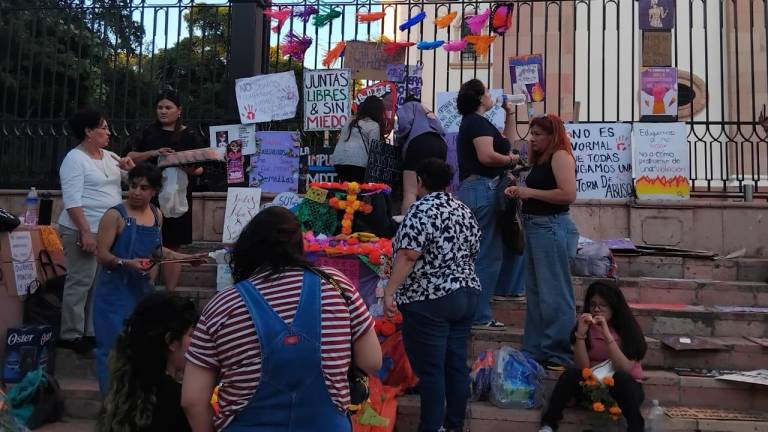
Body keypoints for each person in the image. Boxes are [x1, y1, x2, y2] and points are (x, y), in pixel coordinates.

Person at [181, 207, 382, 431]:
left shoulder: (222, 305)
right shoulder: (338, 286)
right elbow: (371, 361)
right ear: (299, 246)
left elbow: (192, 401)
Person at [384, 159, 480, 432]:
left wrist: (390, 291)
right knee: (456, 365)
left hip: (430, 299)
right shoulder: (463, 210)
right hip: (466, 294)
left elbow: (408, 254)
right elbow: (474, 252)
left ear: (420, 182)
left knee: (431, 369)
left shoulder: (421, 210)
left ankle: (430, 427)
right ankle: (453, 426)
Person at [93, 163, 205, 393]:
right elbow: (101, 254)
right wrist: (126, 263)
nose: (136, 191)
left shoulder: (156, 215)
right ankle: (110, 403)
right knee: (112, 350)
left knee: (141, 349)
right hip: (113, 293)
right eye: (133, 186)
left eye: (143, 188)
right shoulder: (114, 215)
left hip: (142, 293)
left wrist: (186, 258)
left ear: (154, 191)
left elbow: (157, 251)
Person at [504, 113, 579, 370]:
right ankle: (535, 348)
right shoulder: (542, 159)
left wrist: (529, 192)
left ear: (552, 135)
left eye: (537, 135)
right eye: (532, 134)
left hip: (550, 227)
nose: (532, 139)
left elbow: (568, 194)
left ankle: (558, 352)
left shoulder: (560, 155)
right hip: (536, 227)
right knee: (535, 293)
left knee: (554, 292)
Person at [58, 108, 135, 354]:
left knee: (99, 282)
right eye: (103, 127)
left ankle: (91, 331)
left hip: (106, 231)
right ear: (88, 132)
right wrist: (85, 232)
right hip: (83, 229)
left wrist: (129, 167)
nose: (108, 132)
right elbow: (72, 201)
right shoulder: (74, 159)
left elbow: (131, 182)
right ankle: (70, 334)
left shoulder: (109, 156)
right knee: (81, 280)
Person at [456, 79, 524, 331]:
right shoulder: (475, 122)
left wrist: (510, 114)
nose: (490, 94)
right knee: (487, 253)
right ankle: (479, 314)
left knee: (488, 250)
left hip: (479, 189)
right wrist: (509, 159)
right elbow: (487, 155)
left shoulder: (480, 123)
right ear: (479, 98)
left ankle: (488, 300)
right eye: (486, 91)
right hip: (481, 189)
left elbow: (507, 142)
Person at [538, 282, 647, 432]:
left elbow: (625, 368)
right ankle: (548, 425)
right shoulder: (585, 327)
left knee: (621, 378)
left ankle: (636, 429)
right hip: (593, 388)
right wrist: (581, 335)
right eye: (593, 304)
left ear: (614, 306)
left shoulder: (629, 329)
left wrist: (606, 334)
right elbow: (583, 368)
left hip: (624, 390)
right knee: (570, 374)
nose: (597, 309)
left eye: (603, 305)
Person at [127, 90, 204, 292]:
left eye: (168, 107)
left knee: (173, 245)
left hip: (178, 196)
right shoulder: (148, 132)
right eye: (160, 107)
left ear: (179, 111)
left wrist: (186, 165)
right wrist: (154, 153)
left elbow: (201, 167)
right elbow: (130, 157)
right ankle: (147, 289)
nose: (163, 111)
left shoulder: (189, 134)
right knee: (149, 242)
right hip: (151, 196)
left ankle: (170, 292)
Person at [98, 292, 198, 432]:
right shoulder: (179, 401)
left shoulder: (123, 394)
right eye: (192, 335)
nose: (198, 342)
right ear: (171, 342)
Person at [396, 96, 448, 214]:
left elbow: (404, 124)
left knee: (410, 191)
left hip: (419, 144)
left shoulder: (409, 106)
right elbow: (442, 130)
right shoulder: (428, 111)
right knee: (435, 188)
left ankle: (408, 224)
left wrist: (400, 138)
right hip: (440, 144)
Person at [331, 95, 385, 183]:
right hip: (359, 163)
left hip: (339, 160)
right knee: (356, 191)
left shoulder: (350, 120)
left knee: (347, 189)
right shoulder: (374, 125)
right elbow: (374, 150)